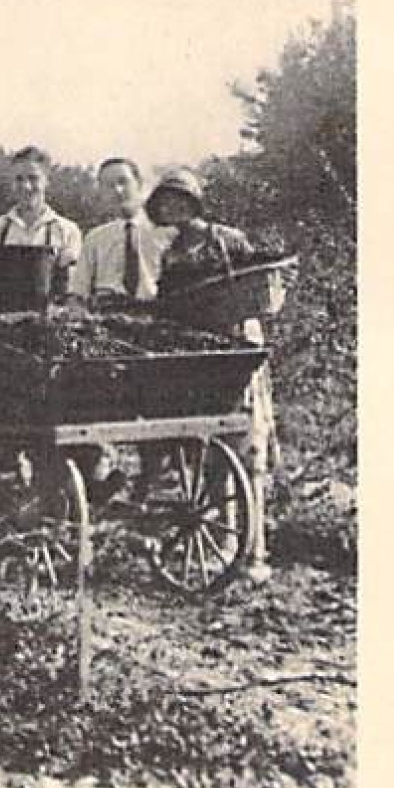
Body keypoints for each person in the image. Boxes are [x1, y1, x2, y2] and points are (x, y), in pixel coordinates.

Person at [147, 168, 278, 581]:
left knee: (248, 451)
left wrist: (240, 323)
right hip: (197, 358)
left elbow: (258, 288)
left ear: (195, 203)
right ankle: (223, 544)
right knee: (211, 454)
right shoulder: (171, 254)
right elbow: (169, 307)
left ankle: (254, 553)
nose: (174, 209)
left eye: (181, 200)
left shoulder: (226, 239)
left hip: (237, 351)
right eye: (166, 203)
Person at [0, 147, 83, 313]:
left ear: (47, 181)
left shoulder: (66, 230)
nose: (26, 186)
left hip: (47, 325)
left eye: (33, 178)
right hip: (0, 323)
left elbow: (70, 285)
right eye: (19, 179)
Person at [70, 157, 174, 308]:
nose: (118, 191)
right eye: (109, 186)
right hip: (106, 317)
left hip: (155, 313)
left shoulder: (166, 233)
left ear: (138, 183)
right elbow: (79, 292)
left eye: (123, 182)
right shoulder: (95, 238)